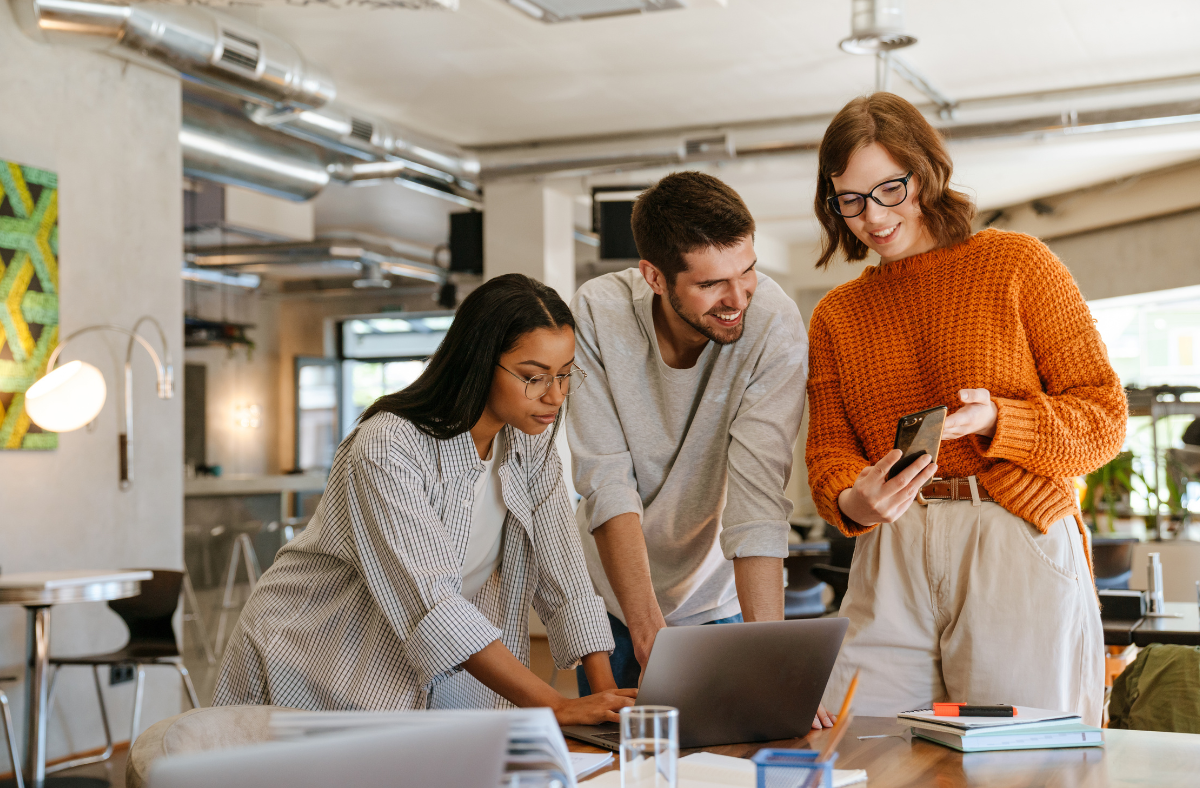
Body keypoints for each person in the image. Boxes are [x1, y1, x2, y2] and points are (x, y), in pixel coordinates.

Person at [806, 93, 1127, 725]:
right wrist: (851, 500)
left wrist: (1003, 421)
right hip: (891, 544)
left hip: (1009, 531)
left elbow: (1103, 418)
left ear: (923, 176)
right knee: (858, 746)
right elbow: (829, 450)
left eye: (888, 190)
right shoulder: (836, 316)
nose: (871, 217)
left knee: (1016, 772)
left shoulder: (1016, 264)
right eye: (850, 200)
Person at [213, 274, 635, 725]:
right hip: (310, 660)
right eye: (534, 377)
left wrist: (608, 704)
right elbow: (433, 604)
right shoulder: (388, 446)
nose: (554, 396)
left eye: (565, 374)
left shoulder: (529, 446)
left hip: (404, 674)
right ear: (478, 362)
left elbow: (565, 577)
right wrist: (557, 704)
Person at [568, 171, 833, 728]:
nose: (738, 299)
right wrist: (647, 636)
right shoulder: (597, 312)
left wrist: (775, 667)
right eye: (712, 284)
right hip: (615, 606)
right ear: (654, 278)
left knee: (737, 769)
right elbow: (606, 483)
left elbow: (759, 499)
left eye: (749, 270)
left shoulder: (772, 324)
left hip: (722, 608)